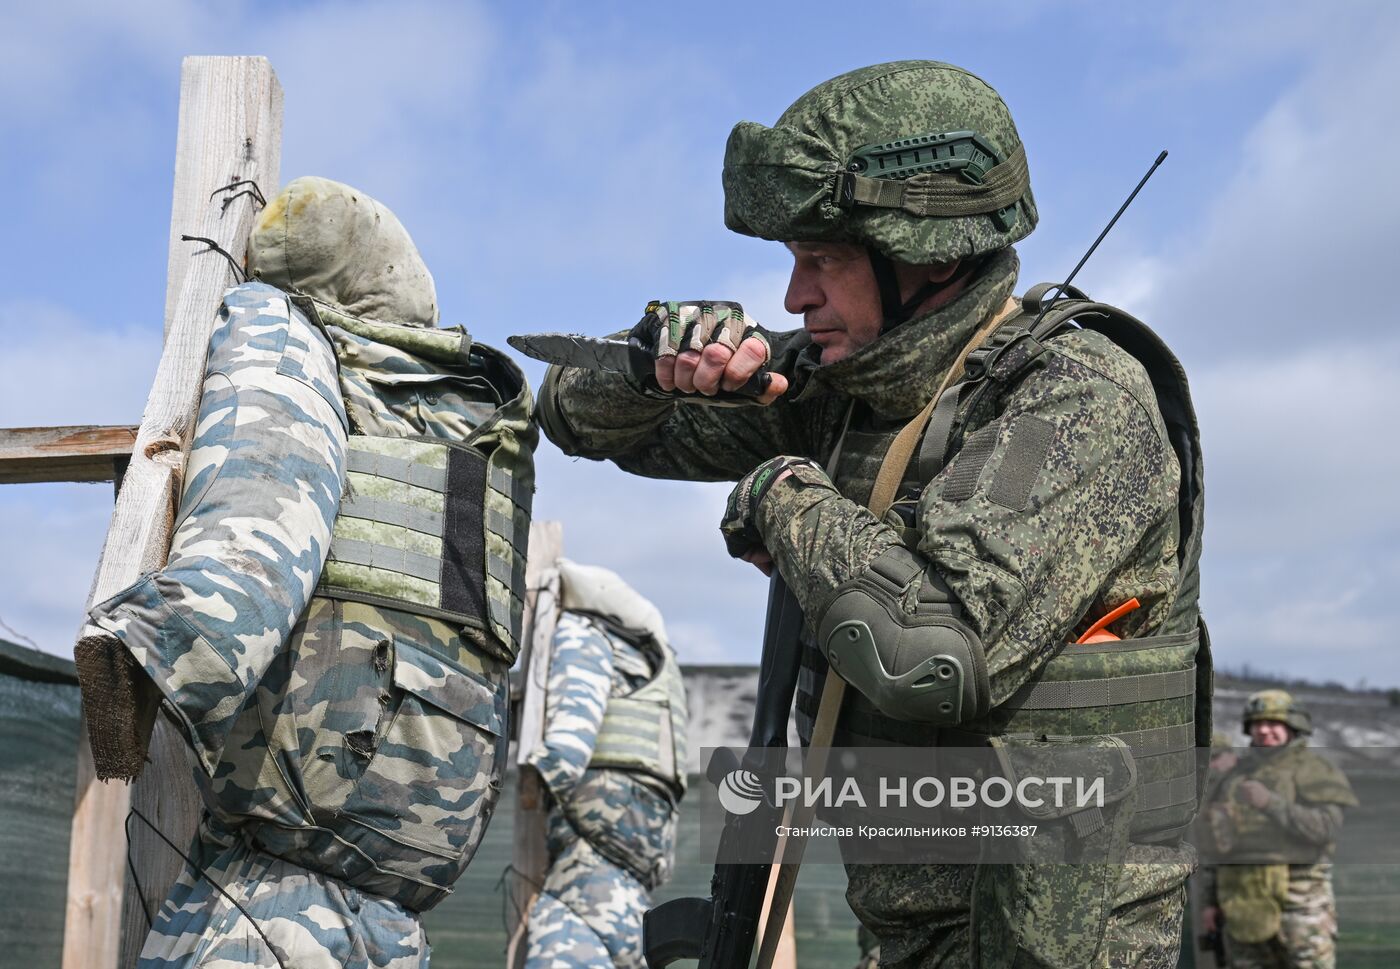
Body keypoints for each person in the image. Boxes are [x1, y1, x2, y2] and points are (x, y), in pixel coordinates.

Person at [537, 60, 1208, 967]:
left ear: (924, 253)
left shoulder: (1078, 398)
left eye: (823, 261)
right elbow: (573, 417)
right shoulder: (846, 385)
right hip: (909, 933)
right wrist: (663, 360)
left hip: (1051, 939)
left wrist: (781, 494)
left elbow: (931, 652)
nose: (792, 297)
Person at [84, 177, 536, 968]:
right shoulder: (464, 421)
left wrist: (140, 651)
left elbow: (261, 514)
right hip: (397, 895)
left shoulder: (288, 335)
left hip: (278, 906)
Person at [523, 559, 687, 969]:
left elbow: (565, 751)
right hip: (634, 890)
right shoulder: (645, 661)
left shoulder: (582, 633)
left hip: (583, 884)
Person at [1199, 690, 1357, 969]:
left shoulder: (1314, 769)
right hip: (1241, 902)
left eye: (1273, 723)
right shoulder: (1235, 776)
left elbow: (1325, 828)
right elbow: (1216, 844)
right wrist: (1210, 903)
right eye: (1256, 724)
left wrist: (1270, 803)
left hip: (1298, 903)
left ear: (1293, 726)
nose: (1263, 730)